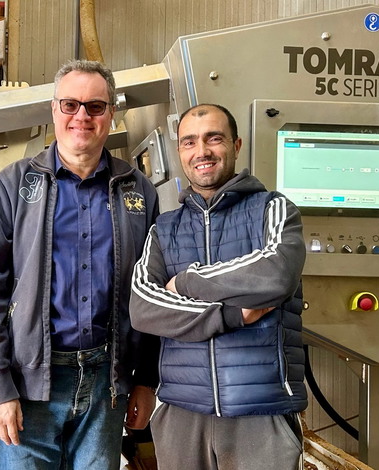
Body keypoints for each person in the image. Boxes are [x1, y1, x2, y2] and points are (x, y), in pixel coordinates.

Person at [0, 59, 160, 469]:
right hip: (30, 382)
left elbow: (153, 292)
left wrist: (146, 380)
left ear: (111, 113)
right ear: (54, 110)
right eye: (70, 104)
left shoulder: (138, 190)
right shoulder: (15, 184)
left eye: (95, 106)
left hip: (107, 382)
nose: (82, 116)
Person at [129, 103, 308, 470]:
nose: (202, 151)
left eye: (214, 138)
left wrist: (186, 282)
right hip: (181, 415)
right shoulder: (164, 229)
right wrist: (230, 315)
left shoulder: (272, 210)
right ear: (180, 151)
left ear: (236, 145)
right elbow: (143, 308)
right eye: (189, 142)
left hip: (261, 412)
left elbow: (276, 274)